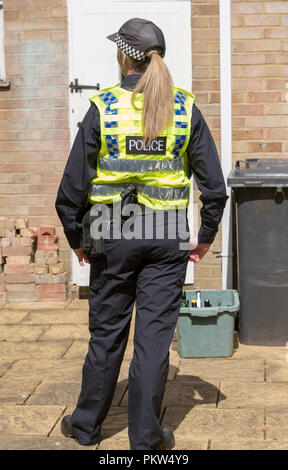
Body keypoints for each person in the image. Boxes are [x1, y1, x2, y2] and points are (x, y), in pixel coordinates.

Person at [55, 18, 228, 450]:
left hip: (111, 230)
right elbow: (215, 187)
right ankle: (147, 439)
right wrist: (205, 235)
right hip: (167, 233)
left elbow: (72, 188)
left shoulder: (103, 107)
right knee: (153, 339)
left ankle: (86, 427)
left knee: (107, 333)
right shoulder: (186, 108)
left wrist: (77, 237)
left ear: (123, 56)